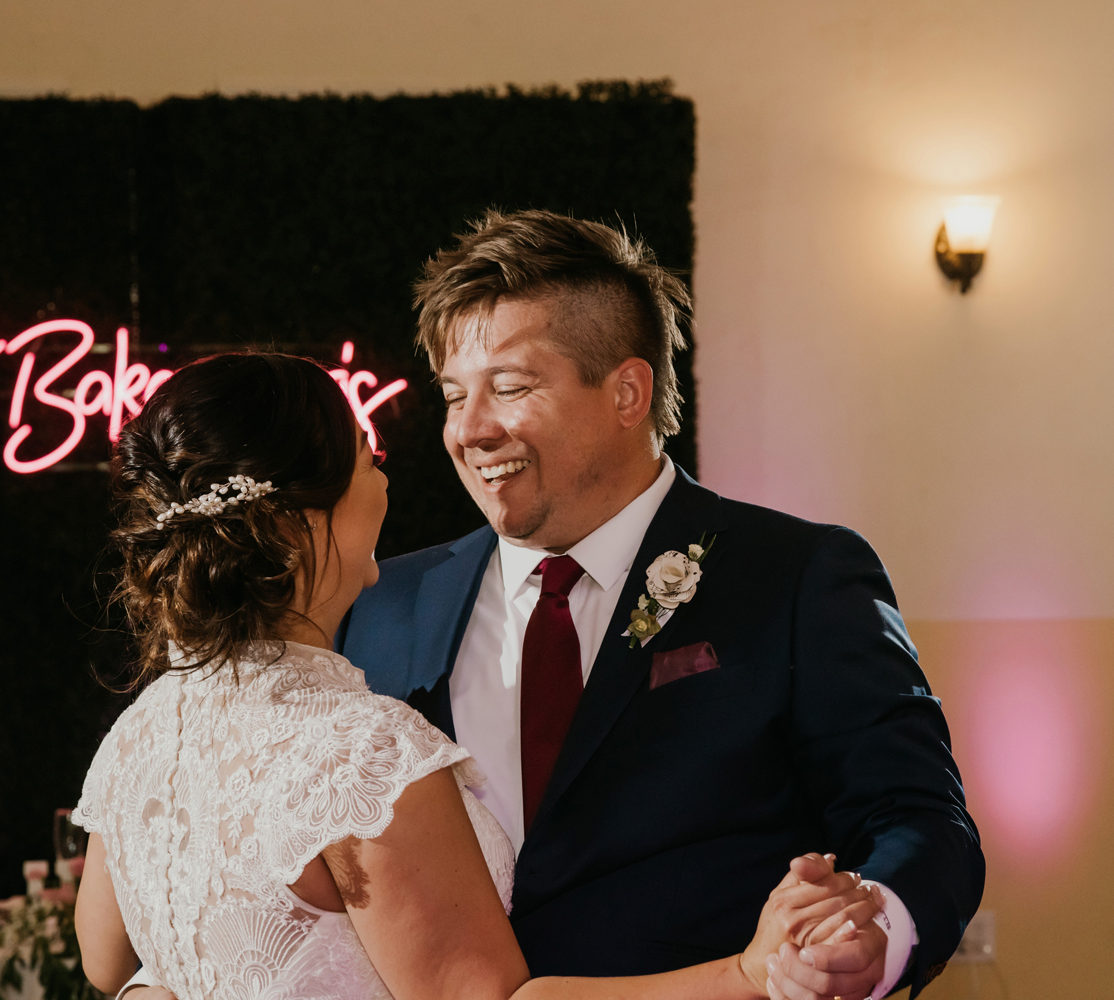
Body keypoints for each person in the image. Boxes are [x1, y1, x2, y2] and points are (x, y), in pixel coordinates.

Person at [72, 351, 880, 1000]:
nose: (386, 474)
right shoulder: (361, 754)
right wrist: (746, 974)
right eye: (363, 457)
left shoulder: (142, 732)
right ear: (294, 527)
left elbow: (111, 962)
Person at [338, 210, 984, 999]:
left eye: (510, 387)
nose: (470, 429)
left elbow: (915, 813)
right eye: (452, 395)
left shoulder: (798, 575)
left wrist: (873, 928)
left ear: (627, 392)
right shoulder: (382, 604)